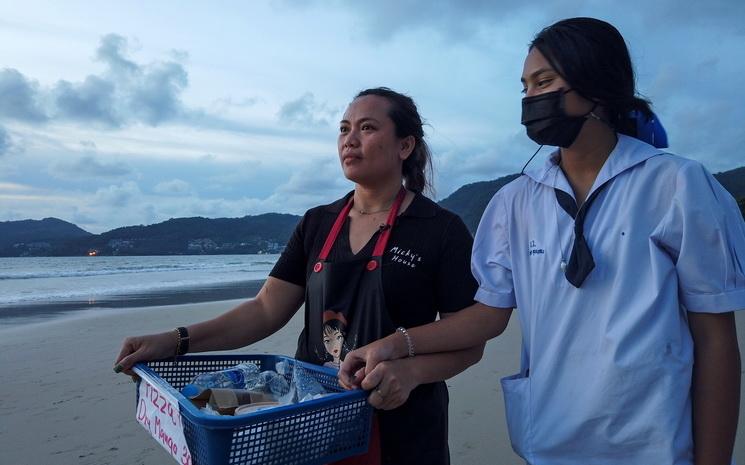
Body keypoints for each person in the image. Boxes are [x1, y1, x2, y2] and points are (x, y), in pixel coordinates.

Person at [339, 18, 745, 465]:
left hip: (654, 444)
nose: (531, 99)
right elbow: (488, 316)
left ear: (596, 84)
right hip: (549, 442)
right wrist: (396, 344)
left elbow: (716, 341)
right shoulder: (516, 201)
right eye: (525, 87)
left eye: (544, 82)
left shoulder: (678, 186)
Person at [114, 87, 482, 465]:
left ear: (405, 146)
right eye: (343, 129)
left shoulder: (440, 230)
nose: (349, 141)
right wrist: (176, 341)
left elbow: (470, 338)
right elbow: (264, 310)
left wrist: (413, 371)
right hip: (309, 420)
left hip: (403, 429)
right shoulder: (317, 223)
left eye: (367, 128)